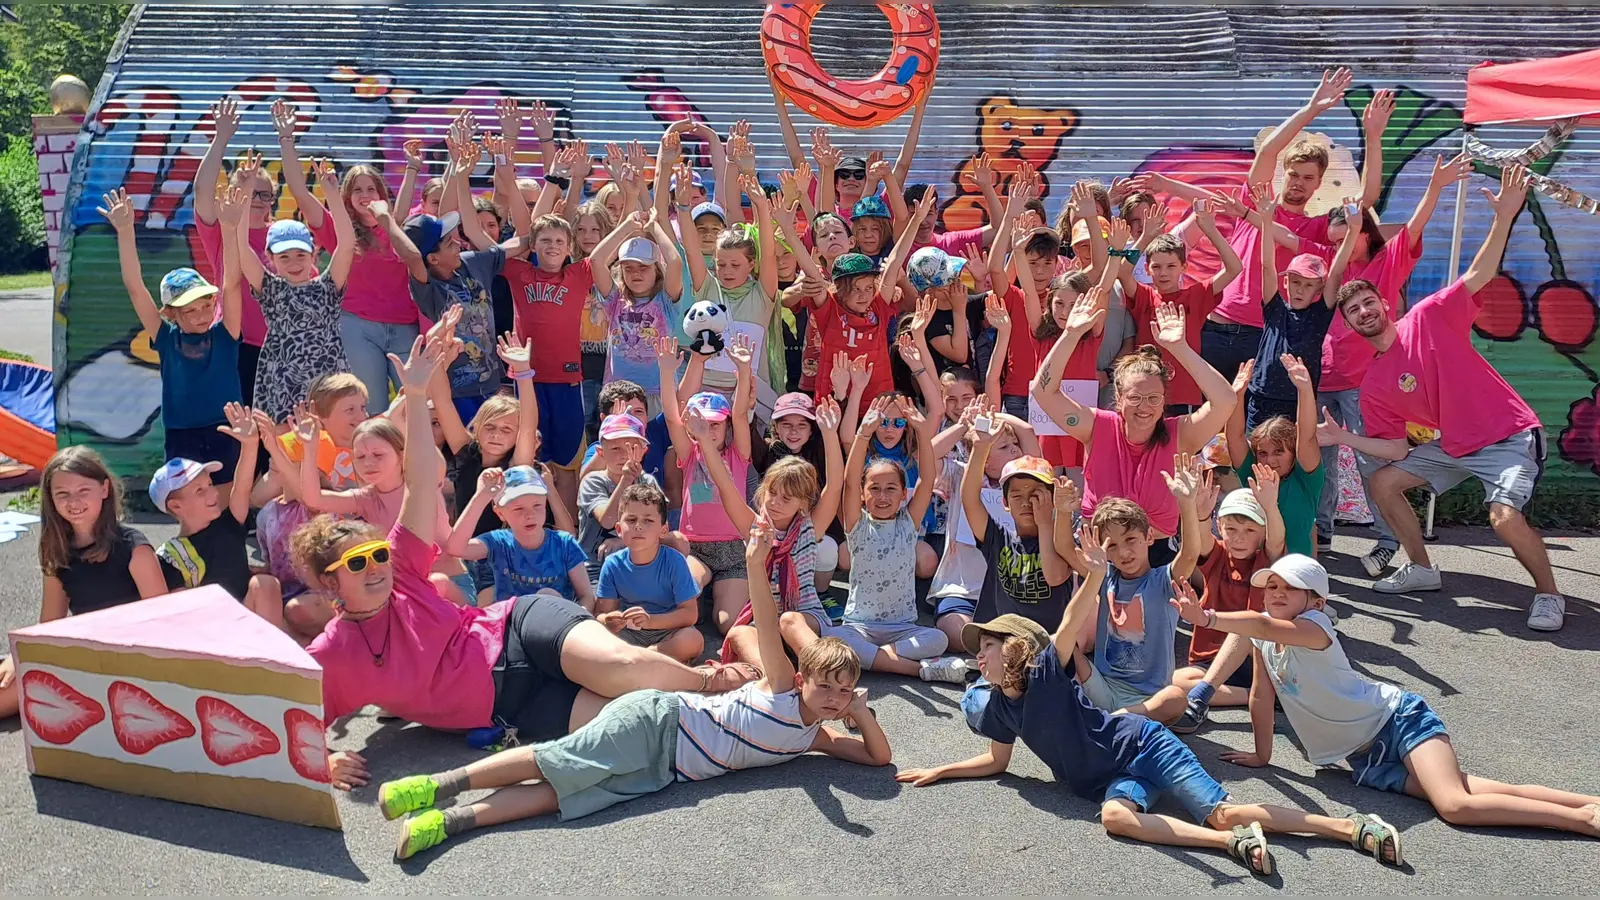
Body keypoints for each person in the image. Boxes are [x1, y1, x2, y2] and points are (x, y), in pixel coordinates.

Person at [290, 330, 752, 791]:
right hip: (507, 706)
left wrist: (413, 392)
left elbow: (418, 480)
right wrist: (322, 759)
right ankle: (729, 707)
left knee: (626, 672)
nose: (375, 567)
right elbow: (285, 712)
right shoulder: (335, 650)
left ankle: (721, 687)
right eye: (357, 564)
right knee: (634, 721)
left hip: (517, 627)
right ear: (330, 584)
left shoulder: (402, 564)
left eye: (374, 555)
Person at [376, 519, 890, 861]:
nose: (832, 699)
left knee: (558, 793)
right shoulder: (781, 687)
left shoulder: (814, 738)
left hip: (664, 771)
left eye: (842, 693)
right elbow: (767, 614)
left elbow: (878, 760)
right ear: (803, 678)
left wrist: (862, 714)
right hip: (659, 722)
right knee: (550, 759)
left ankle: (449, 822)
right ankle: (434, 786)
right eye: (825, 685)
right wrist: (755, 562)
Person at [896, 533, 1403, 879]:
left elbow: (1072, 620)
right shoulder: (1003, 709)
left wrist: (1094, 575)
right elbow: (996, 761)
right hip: (1115, 778)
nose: (977, 653)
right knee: (1116, 818)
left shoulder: (1045, 672)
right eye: (977, 647)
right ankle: (1228, 847)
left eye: (985, 645)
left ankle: (1350, 829)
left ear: (1015, 650)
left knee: (1223, 812)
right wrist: (939, 771)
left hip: (1144, 744)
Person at [1172, 554, 1600, 848]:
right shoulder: (1267, 641)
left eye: (1291, 588)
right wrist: (1262, 756)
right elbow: (1262, 696)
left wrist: (1207, 618)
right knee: (1469, 789)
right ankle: (1586, 802)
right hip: (1366, 762)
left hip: (1398, 720)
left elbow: (1256, 622)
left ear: (1317, 601)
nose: (1277, 593)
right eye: (1272, 587)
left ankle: (1583, 821)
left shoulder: (1316, 626)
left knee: (1455, 806)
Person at [1317, 165, 1567, 630]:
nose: (1363, 312)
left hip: (1507, 435)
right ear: (1349, 326)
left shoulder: (1430, 315)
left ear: (1385, 305)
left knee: (1502, 516)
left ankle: (1549, 594)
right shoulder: (1374, 385)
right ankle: (1423, 568)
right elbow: (1393, 450)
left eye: (1368, 303)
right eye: (1353, 311)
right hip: (1453, 446)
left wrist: (1504, 216)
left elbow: (1479, 272)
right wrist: (1341, 437)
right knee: (1383, 482)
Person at [1316, 153, 1474, 572]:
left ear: (1366, 233)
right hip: (1325, 376)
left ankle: (1388, 539)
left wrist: (1435, 186)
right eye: (1333, 241)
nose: (1340, 247)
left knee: (1373, 461)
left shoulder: (1387, 263)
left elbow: (1414, 226)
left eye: (1347, 237)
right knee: (1323, 459)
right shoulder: (1335, 269)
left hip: (1367, 381)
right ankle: (1323, 532)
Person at [1033, 296, 1236, 568]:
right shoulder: (1096, 426)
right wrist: (1071, 334)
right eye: (1135, 398)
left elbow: (1226, 400)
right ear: (1118, 397)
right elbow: (1042, 391)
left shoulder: (1181, 434)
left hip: (1159, 562)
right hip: (1099, 557)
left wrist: (1180, 347)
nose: (1145, 408)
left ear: (1165, 400)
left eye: (1154, 398)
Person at [101, 184, 244, 507]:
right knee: (188, 503)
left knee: (228, 501)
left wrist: (230, 228)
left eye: (206, 305)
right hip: (182, 433)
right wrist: (125, 231)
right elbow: (135, 288)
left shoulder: (225, 333)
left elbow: (232, 283)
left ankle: (227, 550)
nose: (201, 315)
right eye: (190, 310)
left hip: (225, 428)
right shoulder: (166, 337)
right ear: (170, 314)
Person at [275, 98, 420, 415]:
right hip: (358, 327)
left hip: (405, 327)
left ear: (382, 195)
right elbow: (300, 192)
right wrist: (287, 139)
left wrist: (411, 166)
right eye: (358, 190)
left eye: (372, 189)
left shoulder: (394, 226)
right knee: (373, 408)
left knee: (416, 406)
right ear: (347, 198)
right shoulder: (338, 228)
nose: (366, 196)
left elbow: (405, 204)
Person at [0, 448, 167, 720]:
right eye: (62, 494)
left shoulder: (133, 548)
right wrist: (16, 657)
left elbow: (164, 623)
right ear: (51, 499)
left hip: (129, 662)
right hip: (82, 655)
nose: (73, 501)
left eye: (83, 491)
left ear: (104, 489)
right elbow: (49, 625)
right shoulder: (57, 550)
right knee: (7, 676)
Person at [694, 396, 844, 662]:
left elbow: (834, 487)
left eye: (786, 498)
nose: (775, 502)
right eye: (771, 493)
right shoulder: (755, 528)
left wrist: (830, 433)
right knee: (738, 634)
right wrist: (706, 441)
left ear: (802, 504)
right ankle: (773, 676)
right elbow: (726, 487)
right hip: (763, 618)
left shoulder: (810, 527)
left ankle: (821, 668)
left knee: (790, 621)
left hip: (805, 616)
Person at [831, 395, 966, 684]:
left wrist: (920, 429)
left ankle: (874, 658)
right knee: (833, 636)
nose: (882, 496)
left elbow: (927, 479)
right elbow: (850, 481)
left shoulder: (908, 523)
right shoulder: (856, 524)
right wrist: (863, 433)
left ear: (904, 495)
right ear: (864, 495)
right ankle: (914, 669)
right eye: (875, 489)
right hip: (859, 627)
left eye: (891, 489)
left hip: (903, 628)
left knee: (938, 638)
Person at [1071, 452, 1207, 724]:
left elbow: (1190, 554)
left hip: (1148, 698)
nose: (1124, 552)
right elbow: (1065, 550)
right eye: (1112, 546)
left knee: (1176, 698)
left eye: (1131, 539)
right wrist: (1063, 512)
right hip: (1102, 686)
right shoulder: (1103, 575)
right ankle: (1107, 720)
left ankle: (1114, 721)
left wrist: (1186, 504)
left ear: (1149, 537)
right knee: (1056, 645)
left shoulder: (1162, 580)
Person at [237, 158, 355, 423]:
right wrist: (244, 194)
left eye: (301, 254)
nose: (293, 263)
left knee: (333, 450)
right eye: (284, 256)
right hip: (282, 386)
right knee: (283, 455)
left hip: (327, 386)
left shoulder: (327, 287)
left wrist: (333, 194)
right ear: (270, 257)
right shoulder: (271, 289)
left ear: (314, 254)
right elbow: (241, 247)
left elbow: (347, 244)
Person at [1169, 470, 1283, 735]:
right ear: (1219, 528)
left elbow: (1277, 540)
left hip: (1252, 657)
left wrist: (1270, 507)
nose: (1239, 537)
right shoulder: (1217, 554)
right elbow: (1200, 540)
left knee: (1244, 624)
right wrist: (1201, 514)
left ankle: (1202, 699)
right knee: (1173, 682)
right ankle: (1253, 695)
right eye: (1231, 529)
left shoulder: (1265, 560)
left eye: (1249, 530)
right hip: (1212, 661)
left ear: (1262, 532)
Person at [150, 403, 282, 627]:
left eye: (210, 484)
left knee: (265, 584)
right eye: (199, 490)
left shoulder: (228, 524)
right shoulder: (170, 556)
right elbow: (181, 611)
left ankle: (275, 657)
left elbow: (241, 487)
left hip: (248, 619)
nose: (212, 492)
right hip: (212, 629)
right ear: (176, 506)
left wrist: (250, 444)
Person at [1242, 186, 1359, 428]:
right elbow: (1267, 265)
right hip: (1261, 396)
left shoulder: (1320, 313)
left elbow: (1337, 271)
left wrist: (1354, 231)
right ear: (1285, 282)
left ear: (1319, 290)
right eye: (1295, 282)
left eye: (1308, 285)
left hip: (1298, 402)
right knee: (1255, 457)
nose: (1300, 289)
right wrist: (1265, 220)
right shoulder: (1275, 308)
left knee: (1294, 461)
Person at [191, 97, 273, 402]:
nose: (254, 199)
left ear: (271, 201)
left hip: (274, 346)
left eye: (262, 193)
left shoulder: (281, 237)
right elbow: (202, 190)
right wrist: (221, 138)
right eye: (247, 191)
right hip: (232, 342)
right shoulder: (220, 232)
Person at [1126, 201, 1241, 415]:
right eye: (1157, 267)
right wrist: (1145, 238)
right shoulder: (1144, 296)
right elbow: (1123, 273)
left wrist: (1210, 230)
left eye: (1171, 266)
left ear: (1183, 267)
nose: (1163, 273)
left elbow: (1234, 268)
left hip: (1184, 397)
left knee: (1183, 450)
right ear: (1147, 269)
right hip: (1144, 396)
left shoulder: (1195, 296)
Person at [957, 427, 1073, 637]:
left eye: (1036, 495)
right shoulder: (998, 538)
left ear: (1053, 498)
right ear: (1005, 502)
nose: (1027, 503)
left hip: (1048, 642)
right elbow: (969, 499)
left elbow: (1055, 576)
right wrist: (980, 448)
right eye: (1017, 496)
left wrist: (1046, 524)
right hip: (1004, 639)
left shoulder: (1062, 540)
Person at [447, 465, 589, 608]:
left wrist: (580, 619)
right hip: (513, 622)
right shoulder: (498, 542)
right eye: (518, 508)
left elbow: (586, 596)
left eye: (537, 505)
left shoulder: (564, 543)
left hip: (556, 621)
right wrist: (481, 496)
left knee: (547, 595)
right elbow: (456, 549)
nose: (530, 515)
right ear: (500, 513)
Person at [594, 483, 704, 663]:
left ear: (663, 530)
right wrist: (610, 620)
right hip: (628, 634)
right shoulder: (612, 564)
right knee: (595, 637)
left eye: (648, 520)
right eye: (631, 520)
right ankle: (653, 662)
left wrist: (650, 621)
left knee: (693, 640)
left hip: (667, 631)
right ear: (619, 529)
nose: (638, 526)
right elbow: (601, 614)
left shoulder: (674, 561)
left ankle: (644, 659)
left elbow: (690, 615)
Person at [579, 412, 663, 584]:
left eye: (632, 448)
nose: (624, 455)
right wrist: (626, 480)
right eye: (616, 449)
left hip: (638, 562)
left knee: (678, 542)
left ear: (644, 451)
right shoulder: (593, 481)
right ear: (601, 452)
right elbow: (607, 520)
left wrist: (621, 541)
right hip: (596, 567)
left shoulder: (648, 481)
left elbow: (662, 528)